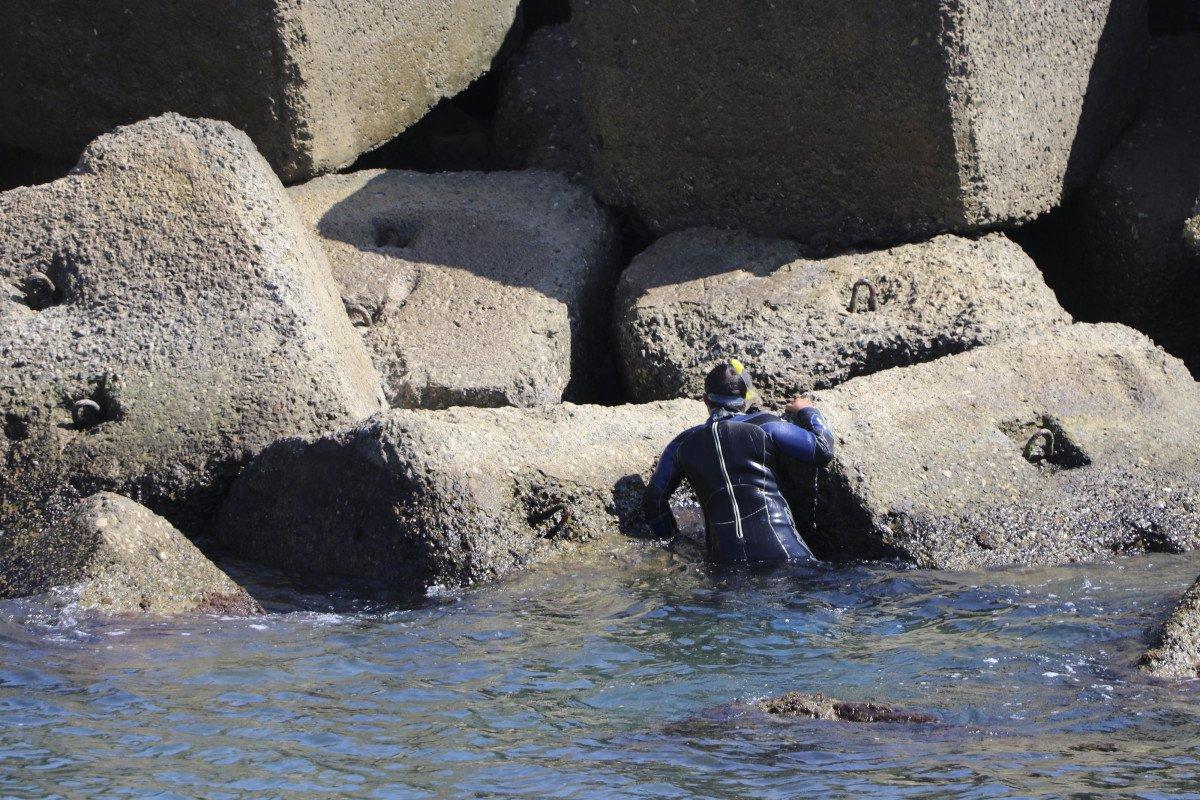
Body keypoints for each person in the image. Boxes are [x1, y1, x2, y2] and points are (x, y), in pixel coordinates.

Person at [642, 359, 835, 564]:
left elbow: (654, 501)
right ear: (744, 401)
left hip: (724, 564)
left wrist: (677, 545)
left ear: (705, 400)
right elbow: (822, 449)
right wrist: (807, 411)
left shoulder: (682, 444)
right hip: (786, 555)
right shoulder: (766, 425)